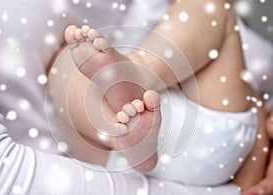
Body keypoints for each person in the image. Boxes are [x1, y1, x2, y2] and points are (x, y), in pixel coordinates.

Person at [57, 0, 271, 193]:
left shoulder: (250, 42)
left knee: (62, 68)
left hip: (128, 151)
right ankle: (123, 132)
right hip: (211, 147)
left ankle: (138, 72)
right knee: (66, 63)